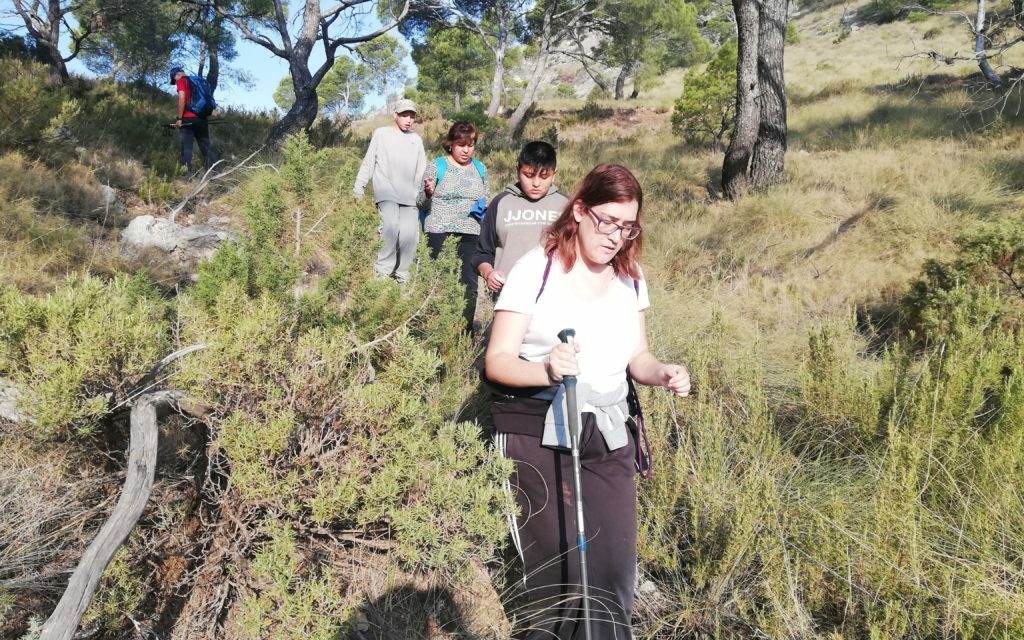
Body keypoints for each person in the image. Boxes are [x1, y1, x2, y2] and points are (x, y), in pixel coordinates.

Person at [485, 164, 691, 640]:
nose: (616, 236)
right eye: (607, 221)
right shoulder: (535, 269)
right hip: (538, 431)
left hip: (610, 433)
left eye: (628, 226)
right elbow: (497, 361)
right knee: (559, 581)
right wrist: (547, 370)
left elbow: (637, 356)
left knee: (614, 574)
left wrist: (662, 373)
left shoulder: (631, 276)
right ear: (578, 210)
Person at [471, 140, 567, 296]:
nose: (536, 183)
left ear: (554, 174)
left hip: (553, 296)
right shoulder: (501, 202)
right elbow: (482, 252)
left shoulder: (566, 206)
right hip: (508, 295)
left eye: (544, 177)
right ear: (518, 171)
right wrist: (489, 273)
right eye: (528, 175)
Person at [417, 121, 489, 326]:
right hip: (439, 231)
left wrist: (485, 204)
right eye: (461, 144)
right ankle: (437, 329)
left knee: (469, 284)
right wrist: (429, 193)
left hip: (471, 232)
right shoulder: (437, 165)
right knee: (440, 281)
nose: (467, 150)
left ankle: (463, 332)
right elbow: (420, 203)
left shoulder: (480, 168)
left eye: (471, 144)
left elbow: (487, 197)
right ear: (451, 144)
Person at [353, 98, 427, 283]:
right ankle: (382, 273)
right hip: (386, 191)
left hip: (410, 196)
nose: (408, 119)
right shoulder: (381, 134)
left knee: (409, 236)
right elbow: (369, 161)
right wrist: (358, 188)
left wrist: (422, 194)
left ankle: (403, 276)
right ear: (395, 115)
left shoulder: (416, 140)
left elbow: (421, 169)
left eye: (412, 116)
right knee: (390, 228)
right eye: (404, 115)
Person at [170, 66, 215, 173]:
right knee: (206, 148)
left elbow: (182, 98)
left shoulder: (181, 80)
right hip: (202, 119)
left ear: (177, 74)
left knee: (186, 150)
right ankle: (216, 172)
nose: (175, 81)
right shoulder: (198, 80)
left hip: (188, 120)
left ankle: (186, 177)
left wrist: (180, 118)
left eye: (174, 78)